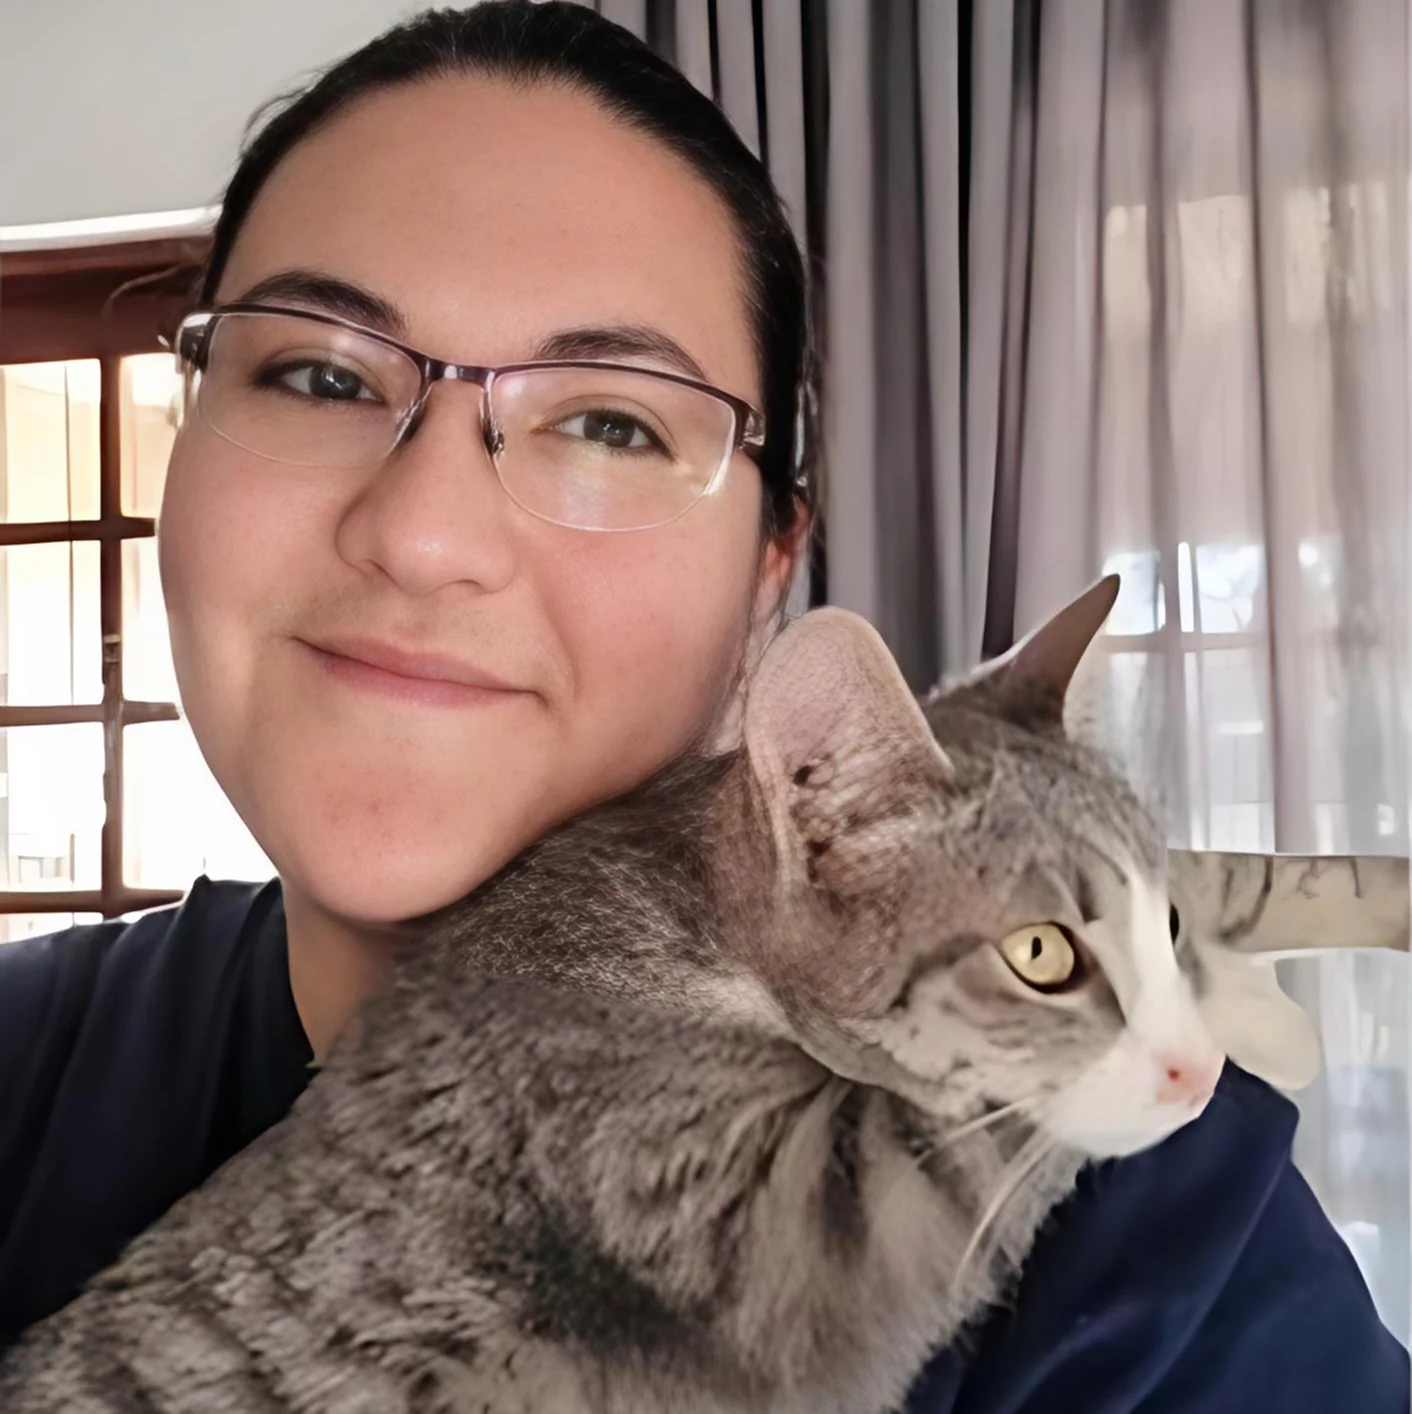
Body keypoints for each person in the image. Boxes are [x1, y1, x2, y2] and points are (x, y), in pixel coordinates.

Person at [0, 4, 1405, 1409]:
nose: (424, 533)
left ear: (768, 569)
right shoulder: (28, 1059)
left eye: (612, 420)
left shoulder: (1159, 1229)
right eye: (317, 372)